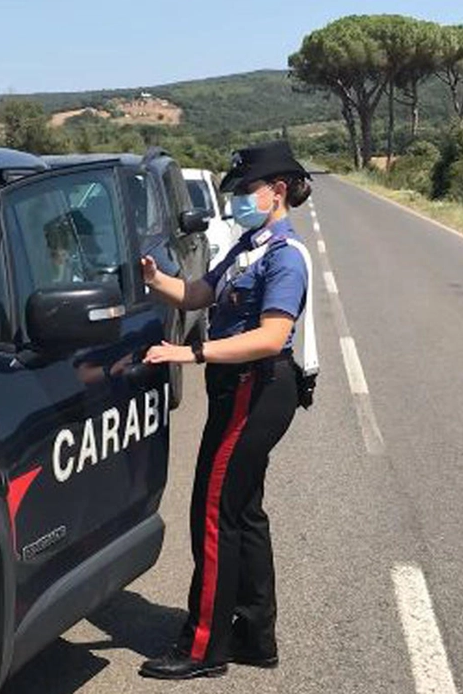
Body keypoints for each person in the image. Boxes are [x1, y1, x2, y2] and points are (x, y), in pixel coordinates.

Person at [138, 140, 313, 680]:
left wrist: (190, 352)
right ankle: (256, 636)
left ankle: (204, 647)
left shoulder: (285, 256)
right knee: (243, 511)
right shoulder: (248, 248)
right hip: (239, 387)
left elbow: (271, 337)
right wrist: (153, 280)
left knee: (213, 512)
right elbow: (198, 294)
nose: (237, 199)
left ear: (276, 192)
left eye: (245, 191)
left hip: (256, 387)